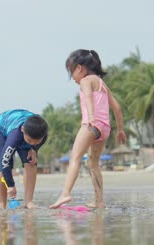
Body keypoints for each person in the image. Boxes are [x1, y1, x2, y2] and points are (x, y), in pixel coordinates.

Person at [50, 49, 126, 209]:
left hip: (92, 124)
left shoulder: (86, 81)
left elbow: (89, 99)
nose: (73, 78)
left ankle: (65, 193)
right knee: (93, 164)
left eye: (71, 72)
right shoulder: (102, 83)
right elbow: (117, 108)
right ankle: (99, 201)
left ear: (79, 68)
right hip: (105, 128)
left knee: (75, 157)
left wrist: (90, 117)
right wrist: (120, 130)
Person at [0, 109, 48, 209]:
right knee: (4, 166)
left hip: (26, 129)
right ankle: (2, 203)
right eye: (30, 140)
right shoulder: (14, 137)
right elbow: (4, 160)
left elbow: (36, 142)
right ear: (23, 129)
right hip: (3, 126)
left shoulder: (42, 134)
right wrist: (10, 185)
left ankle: (29, 202)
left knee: (31, 162)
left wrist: (34, 149)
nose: (31, 143)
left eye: (36, 141)